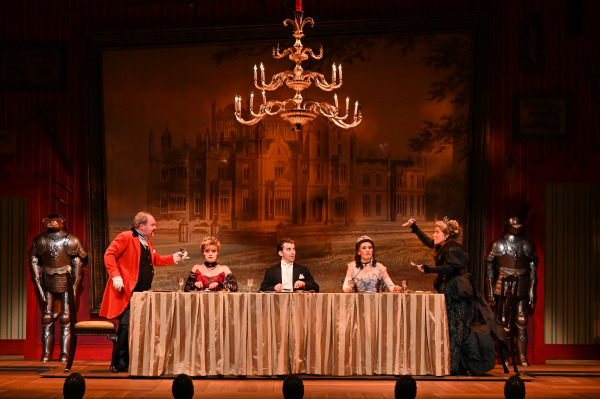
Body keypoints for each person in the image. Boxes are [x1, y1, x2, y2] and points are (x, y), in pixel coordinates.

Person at [99, 211, 188, 372]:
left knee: (136, 325)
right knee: (126, 325)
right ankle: (119, 363)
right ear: (142, 226)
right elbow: (109, 255)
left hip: (142, 292)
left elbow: (156, 260)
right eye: (153, 224)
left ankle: (131, 360)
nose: (156, 227)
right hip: (127, 291)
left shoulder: (147, 241)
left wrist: (175, 257)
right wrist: (115, 276)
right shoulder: (126, 236)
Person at [406, 217, 475, 375]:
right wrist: (415, 227)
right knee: (449, 326)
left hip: (456, 290)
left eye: (437, 232)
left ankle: (456, 366)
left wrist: (429, 270)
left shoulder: (453, 248)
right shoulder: (443, 246)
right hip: (449, 288)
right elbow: (429, 242)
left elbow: (452, 268)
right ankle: (451, 364)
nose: (434, 235)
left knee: (456, 327)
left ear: (447, 235)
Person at [28, 214, 87, 362]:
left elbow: (78, 263)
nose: (52, 222)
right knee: (47, 318)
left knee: (66, 318)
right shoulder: (40, 240)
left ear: (62, 222)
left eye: (55, 219)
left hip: (66, 281)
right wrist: (38, 285)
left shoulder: (70, 239)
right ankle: (46, 353)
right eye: (49, 220)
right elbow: (33, 260)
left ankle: (64, 354)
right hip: (47, 281)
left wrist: (74, 287)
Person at [485, 216, 538, 366]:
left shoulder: (527, 244)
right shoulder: (498, 244)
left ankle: (522, 356)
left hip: (522, 282)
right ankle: (505, 357)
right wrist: (489, 292)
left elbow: (533, 270)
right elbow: (489, 270)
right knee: (502, 321)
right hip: (502, 282)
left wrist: (532, 292)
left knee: (521, 320)